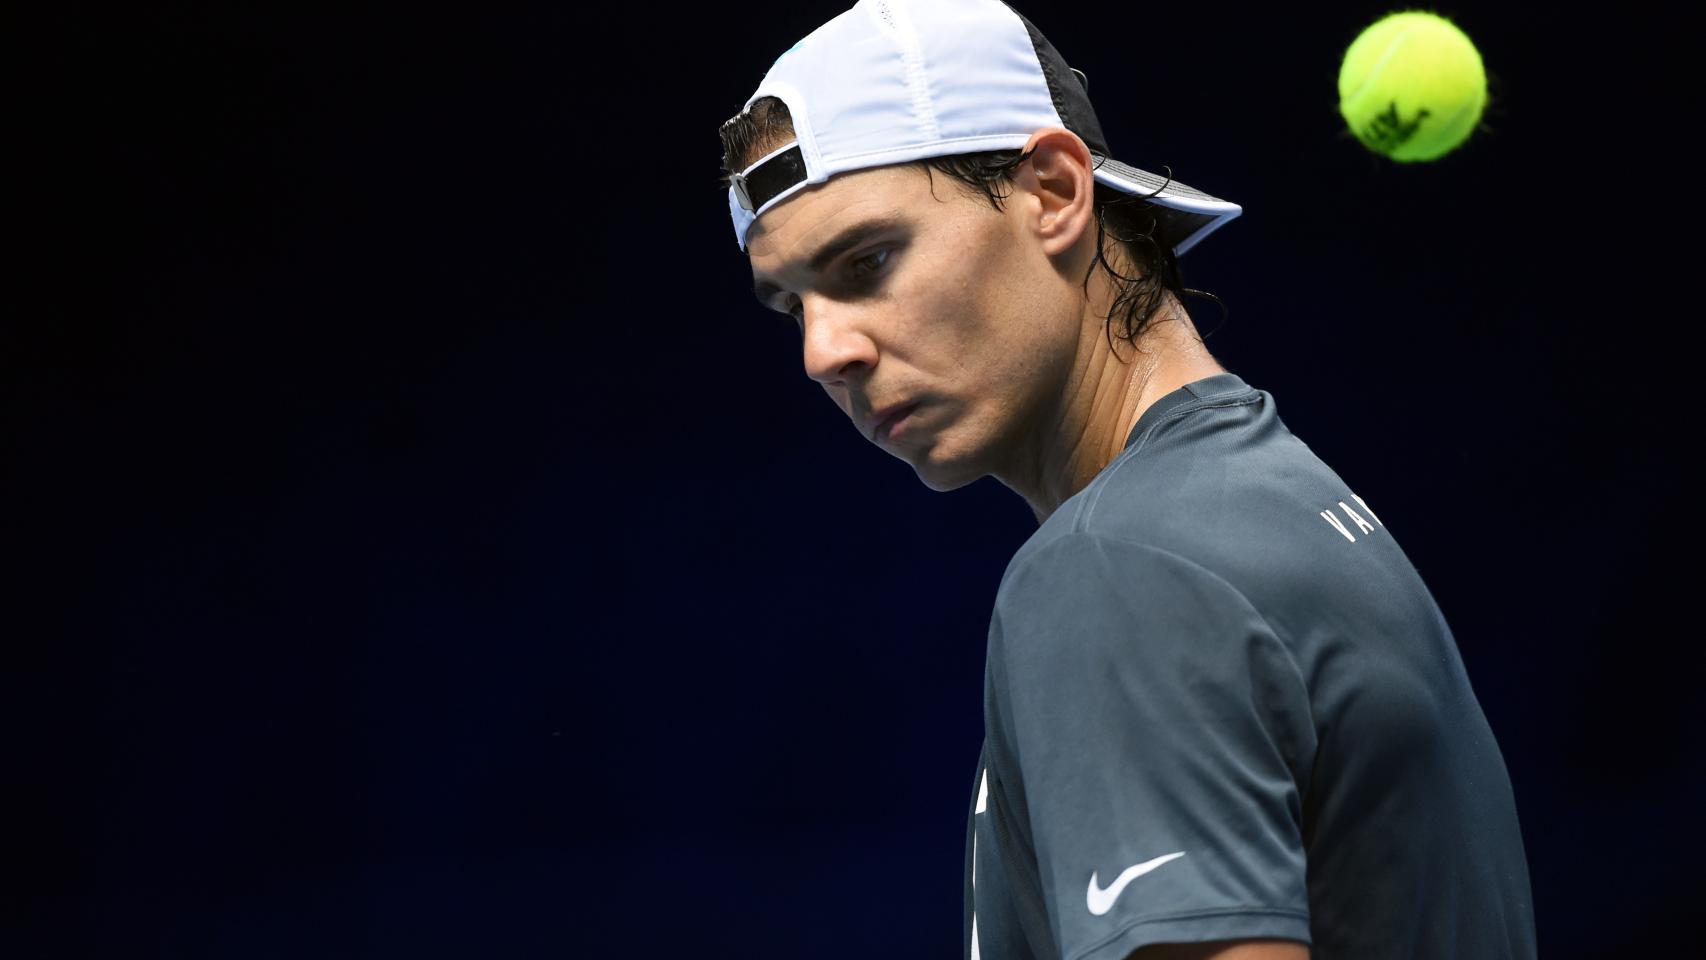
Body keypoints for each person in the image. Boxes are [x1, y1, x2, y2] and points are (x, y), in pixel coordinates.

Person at [717, 2, 1537, 958]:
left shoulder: (1116, 569)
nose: (824, 353)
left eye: (867, 262)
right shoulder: (1283, 502)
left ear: (1055, 192)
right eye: (793, 308)